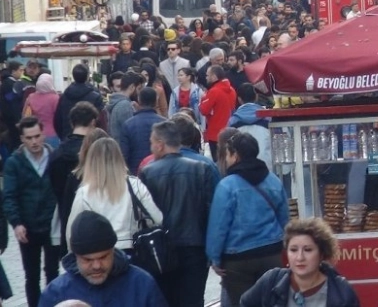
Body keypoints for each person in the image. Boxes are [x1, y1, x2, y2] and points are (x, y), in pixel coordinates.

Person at [207, 132, 289, 305]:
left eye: (228, 153)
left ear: (235, 155)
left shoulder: (227, 186)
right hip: (271, 252)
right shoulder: (273, 180)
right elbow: (284, 219)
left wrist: (214, 257)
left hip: (238, 259)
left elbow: (218, 226)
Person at [140, 121, 214, 307]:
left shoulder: (148, 172)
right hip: (195, 246)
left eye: (151, 142)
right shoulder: (200, 169)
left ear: (159, 143)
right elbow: (210, 210)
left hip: (161, 249)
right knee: (193, 300)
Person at [38, 211, 168, 307]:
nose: (96, 266)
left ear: (113, 251)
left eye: (103, 257)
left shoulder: (142, 284)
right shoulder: (56, 293)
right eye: (87, 260)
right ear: (75, 256)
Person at [65, 138, 163, 253]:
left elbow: (72, 232)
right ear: (119, 158)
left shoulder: (84, 193)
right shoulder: (134, 184)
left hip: (99, 253)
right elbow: (157, 218)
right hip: (133, 249)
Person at [2, 117, 59, 307]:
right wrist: (16, 223)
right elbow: (9, 196)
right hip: (28, 226)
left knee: (52, 271)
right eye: (29, 138)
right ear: (22, 139)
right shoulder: (14, 163)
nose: (34, 142)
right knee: (31, 275)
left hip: (51, 224)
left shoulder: (54, 158)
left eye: (37, 136)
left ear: (43, 134)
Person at [240, 218, 359, 307]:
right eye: (293, 250)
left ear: (322, 254)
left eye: (308, 250)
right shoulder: (271, 280)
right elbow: (244, 303)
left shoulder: (342, 292)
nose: (299, 257)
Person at [46, 102, 99, 254]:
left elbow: (54, 188)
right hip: (95, 221)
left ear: (71, 123)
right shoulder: (96, 154)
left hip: (66, 219)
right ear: (93, 122)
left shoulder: (56, 155)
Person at [119, 87, 166, 174]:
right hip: (160, 171)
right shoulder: (164, 123)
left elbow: (124, 154)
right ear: (156, 101)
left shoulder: (128, 124)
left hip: (135, 171)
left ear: (139, 100)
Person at [53, 64, 104, 140]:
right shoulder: (95, 97)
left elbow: (57, 120)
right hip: (90, 140)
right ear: (87, 76)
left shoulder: (64, 96)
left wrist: (64, 137)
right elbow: (101, 120)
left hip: (68, 138)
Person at [228, 83, 272, 171]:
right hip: (266, 166)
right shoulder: (268, 117)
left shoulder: (232, 121)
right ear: (256, 97)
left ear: (239, 99)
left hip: (241, 168)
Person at [200, 65, 236, 160]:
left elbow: (204, 110)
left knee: (218, 162)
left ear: (214, 77)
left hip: (215, 134)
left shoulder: (214, 91)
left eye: (208, 75)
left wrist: (203, 98)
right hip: (229, 131)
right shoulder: (232, 90)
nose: (206, 77)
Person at [23, 74, 60, 148]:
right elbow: (59, 117)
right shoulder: (55, 98)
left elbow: (25, 115)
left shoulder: (31, 97)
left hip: (35, 134)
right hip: (53, 134)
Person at [106, 71, 143, 140]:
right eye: (139, 88)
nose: (139, 92)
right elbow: (131, 132)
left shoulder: (118, 102)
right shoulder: (125, 105)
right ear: (132, 87)